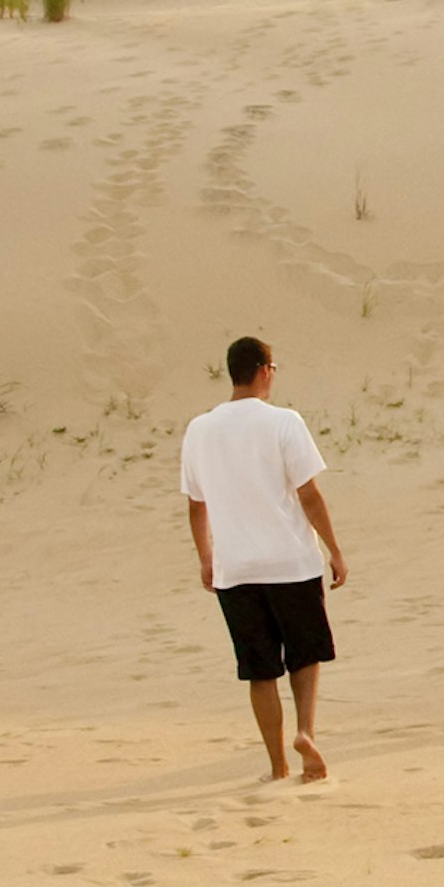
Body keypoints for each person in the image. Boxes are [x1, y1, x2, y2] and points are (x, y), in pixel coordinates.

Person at [179, 334, 349, 782]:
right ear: (263, 370)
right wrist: (334, 548)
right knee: (304, 657)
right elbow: (308, 494)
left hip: (236, 570)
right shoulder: (284, 422)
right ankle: (306, 732)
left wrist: (205, 557)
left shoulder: (199, 429)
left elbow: (196, 504)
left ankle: (277, 766)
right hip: (291, 561)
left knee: (260, 670)